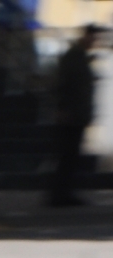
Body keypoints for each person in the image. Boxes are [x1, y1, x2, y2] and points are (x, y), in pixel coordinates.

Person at [49, 24, 99, 207]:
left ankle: (64, 194)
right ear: (85, 36)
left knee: (71, 157)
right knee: (66, 157)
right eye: (93, 38)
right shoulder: (73, 57)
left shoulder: (81, 57)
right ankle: (59, 195)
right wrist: (63, 109)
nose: (95, 42)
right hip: (70, 115)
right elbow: (63, 84)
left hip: (77, 115)